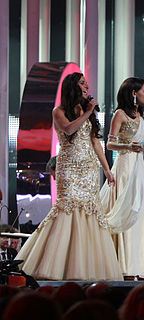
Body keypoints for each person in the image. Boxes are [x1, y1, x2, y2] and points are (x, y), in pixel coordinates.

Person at [16, 72, 122, 280]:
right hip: (69, 168)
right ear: (73, 87)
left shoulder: (88, 112)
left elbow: (95, 143)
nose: (87, 86)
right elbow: (69, 129)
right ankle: (55, 265)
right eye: (82, 83)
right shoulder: (59, 111)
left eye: (86, 83)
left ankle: (87, 267)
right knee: (67, 209)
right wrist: (88, 111)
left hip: (89, 168)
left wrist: (107, 169)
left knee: (90, 211)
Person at [100, 77, 144, 280]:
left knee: (141, 214)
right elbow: (109, 145)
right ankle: (125, 266)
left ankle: (141, 265)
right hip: (125, 166)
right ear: (134, 93)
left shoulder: (141, 115)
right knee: (127, 212)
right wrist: (128, 147)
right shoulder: (120, 114)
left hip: (139, 169)